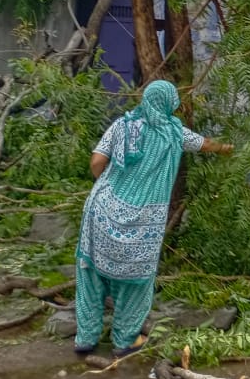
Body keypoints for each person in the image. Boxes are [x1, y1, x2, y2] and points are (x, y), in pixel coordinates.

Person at [73, 79, 232, 357]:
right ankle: (124, 341)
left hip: (101, 209)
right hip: (144, 220)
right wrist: (227, 148)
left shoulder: (122, 125)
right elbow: (204, 144)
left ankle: (85, 339)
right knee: (135, 280)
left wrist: (109, 186)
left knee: (90, 273)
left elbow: (97, 161)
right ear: (170, 103)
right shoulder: (174, 133)